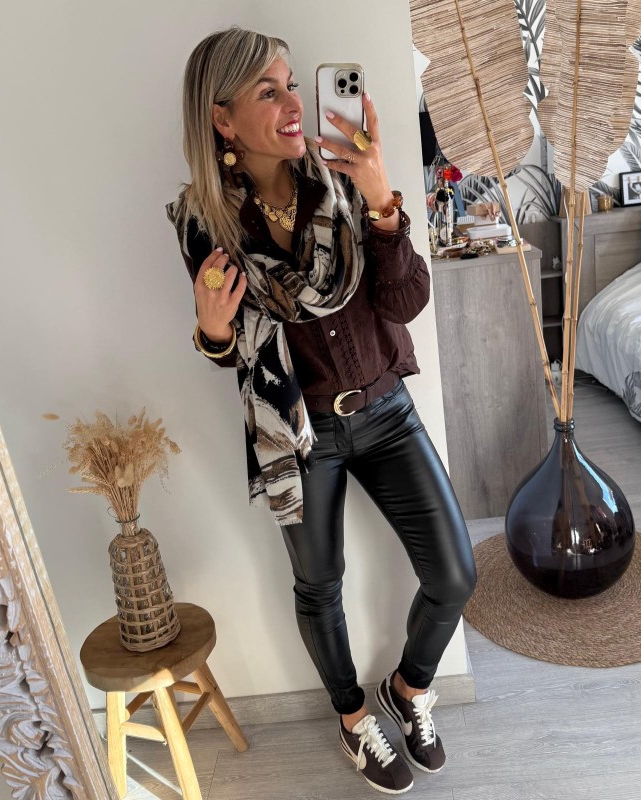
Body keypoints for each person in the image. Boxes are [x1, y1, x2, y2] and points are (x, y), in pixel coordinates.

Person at [166, 26, 477, 795]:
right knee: (320, 584)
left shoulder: (340, 177)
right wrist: (210, 330)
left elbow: (406, 301)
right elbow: (231, 350)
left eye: (291, 84)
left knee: (455, 574)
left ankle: (408, 689)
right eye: (267, 92)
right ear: (223, 119)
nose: (292, 103)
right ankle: (352, 718)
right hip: (302, 434)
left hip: (387, 408)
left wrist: (382, 199)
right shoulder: (205, 221)